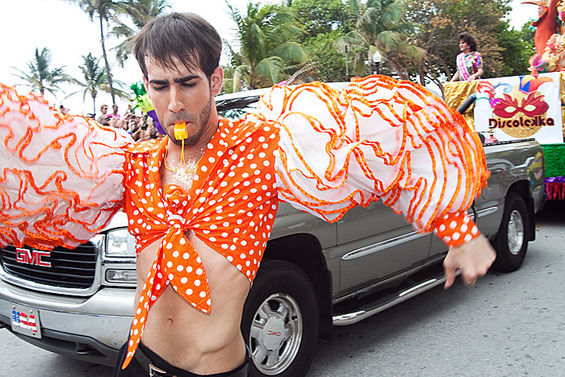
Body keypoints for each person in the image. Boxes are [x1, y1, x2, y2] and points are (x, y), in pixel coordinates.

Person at [0, 12, 495, 377]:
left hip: (220, 369)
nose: (173, 103)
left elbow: (383, 144)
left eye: (189, 84)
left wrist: (459, 230)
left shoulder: (261, 148)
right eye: (159, 86)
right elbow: (33, 161)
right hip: (145, 363)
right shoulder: (131, 163)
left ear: (215, 79)